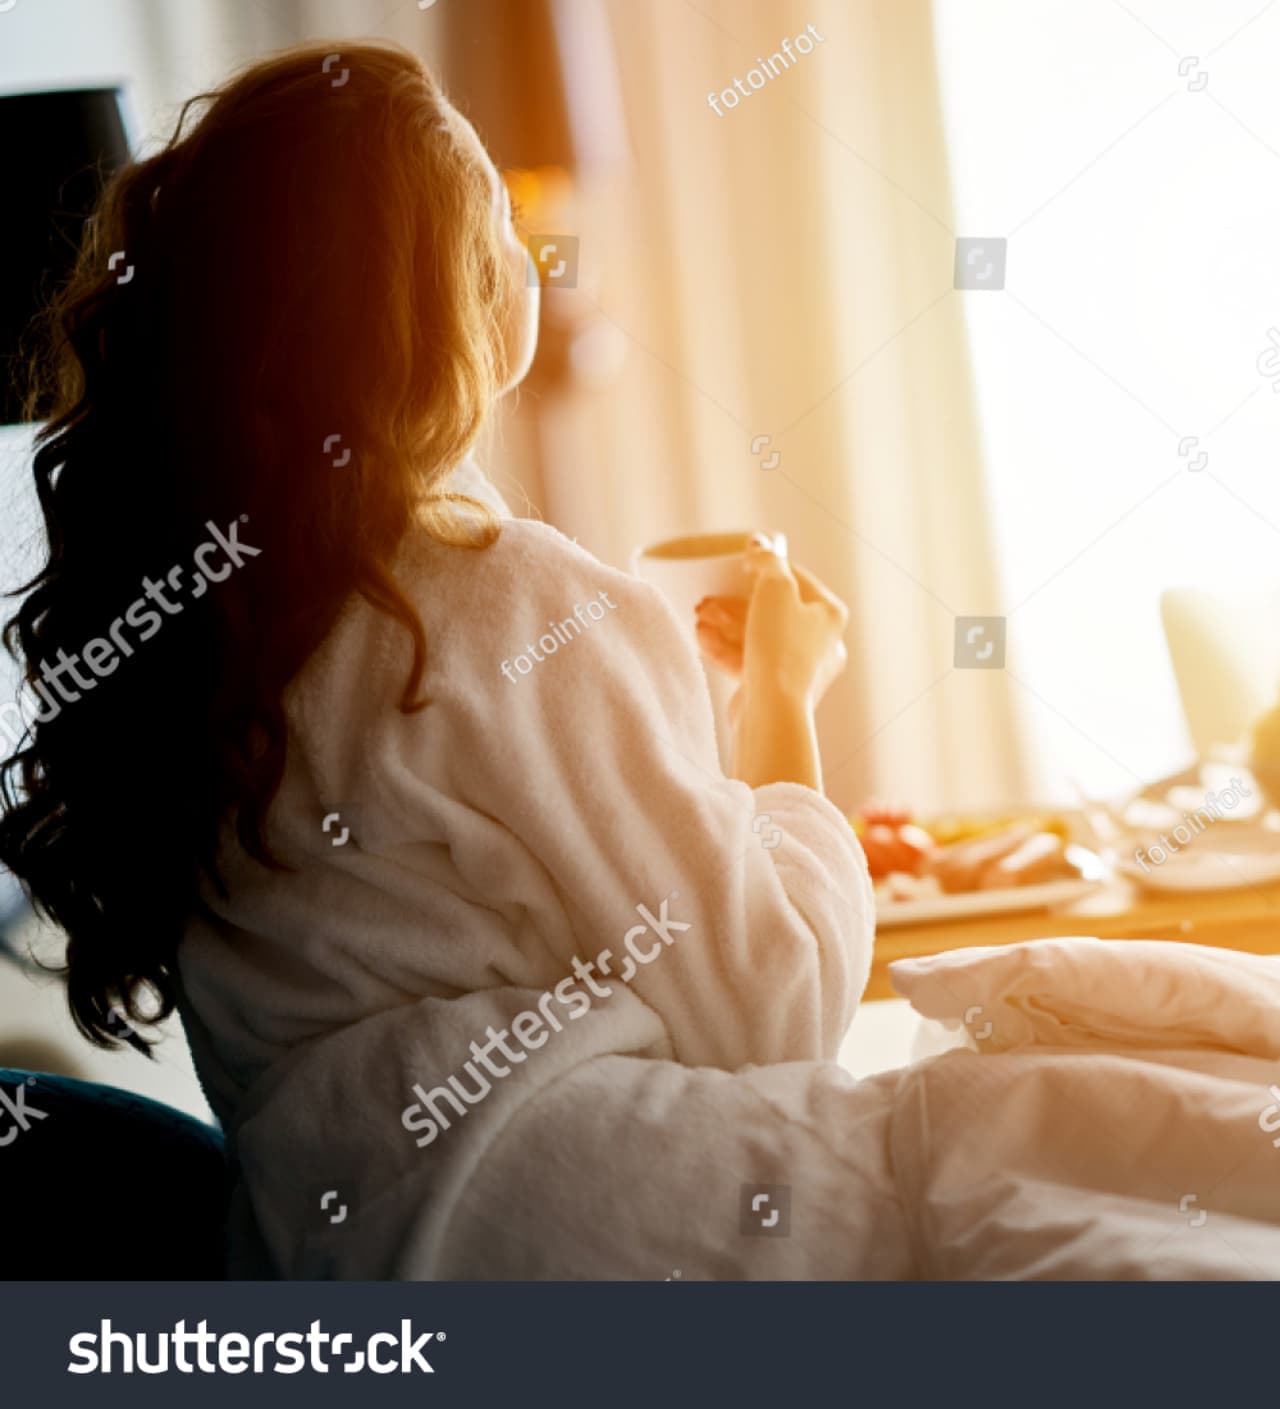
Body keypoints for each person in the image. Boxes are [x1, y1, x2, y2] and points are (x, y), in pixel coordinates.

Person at [0, 43, 874, 1269]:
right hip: (604, 1232)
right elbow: (777, 1013)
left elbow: (448, 899)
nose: (527, 254)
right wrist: (784, 697)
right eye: (499, 223)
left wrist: (660, 726)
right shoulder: (515, 597)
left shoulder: (196, 639)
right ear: (434, 298)